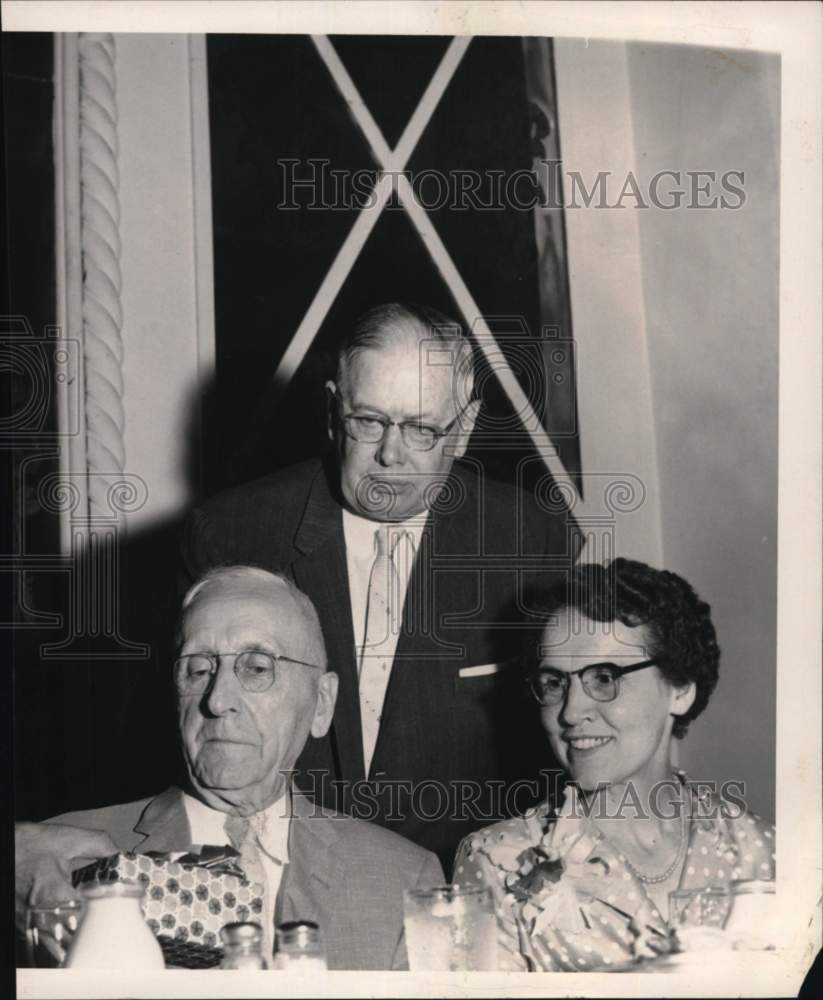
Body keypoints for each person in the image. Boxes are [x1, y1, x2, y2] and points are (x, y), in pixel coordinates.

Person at [181, 303, 579, 868]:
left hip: (466, 882)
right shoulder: (234, 534)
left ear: (462, 430)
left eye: (420, 429)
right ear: (331, 411)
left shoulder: (530, 539)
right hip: (279, 877)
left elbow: (569, 744)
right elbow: (182, 742)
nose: (390, 455)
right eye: (368, 421)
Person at [17, 566, 443, 970]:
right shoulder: (56, 861)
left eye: (257, 668)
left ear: (322, 703)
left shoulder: (405, 879)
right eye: (198, 669)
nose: (218, 700)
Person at [454, 558, 775, 971]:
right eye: (555, 682)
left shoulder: (761, 852)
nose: (570, 712)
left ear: (679, 690)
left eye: (604, 678)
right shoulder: (497, 863)